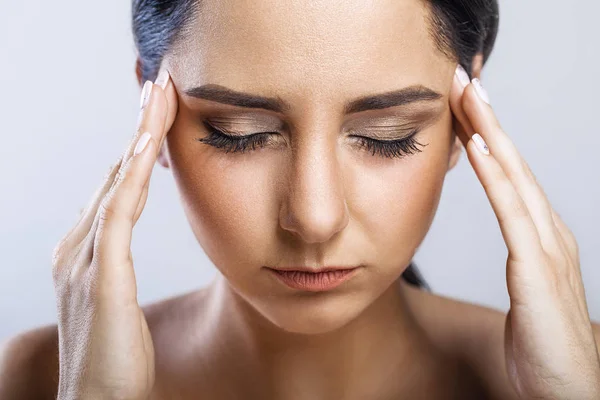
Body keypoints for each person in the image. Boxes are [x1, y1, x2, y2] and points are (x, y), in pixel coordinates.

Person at [1, 0, 599, 399]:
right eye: (242, 132)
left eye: (384, 136)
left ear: (468, 116)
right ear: (151, 110)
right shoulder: (37, 379)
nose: (315, 217)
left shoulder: (580, 374)